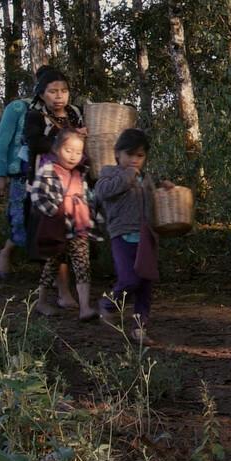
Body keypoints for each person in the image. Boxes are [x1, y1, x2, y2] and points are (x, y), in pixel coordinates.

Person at [0, 66, 85, 280]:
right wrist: (0, 173)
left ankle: (56, 277)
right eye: (52, 90)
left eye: (63, 90)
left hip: (70, 181)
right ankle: (9, 255)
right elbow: (9, 141)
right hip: (33, 175)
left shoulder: (75, 112)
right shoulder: (25, 111)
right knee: (24, 220)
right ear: (41, 91)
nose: (58, 96)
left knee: (66, 229)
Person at [94, 128, 170, 343]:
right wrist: (127, 176)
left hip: (146, 237)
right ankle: (107, 304)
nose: (135, 160)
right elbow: (102, 191)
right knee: (129, 279)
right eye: (130, 154)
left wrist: (163, 188)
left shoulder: (146, 178)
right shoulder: (110, 173)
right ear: (117, 154)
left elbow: (152, 199)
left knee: (145, 284)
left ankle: (139, 328)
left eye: (140, 155)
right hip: (122, 234)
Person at [29, 128, 99, 320]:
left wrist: (91, 216)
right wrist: (55, 212)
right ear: (56, 149)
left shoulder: (80, 173)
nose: (73, 156)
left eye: (78, 152)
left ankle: (84, 307)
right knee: (51, 265)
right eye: (68, 150)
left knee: (83, 266)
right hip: (57, 229)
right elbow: (37, 195)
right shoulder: (48, 171)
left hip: (78, 229)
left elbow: (87, 198)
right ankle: (41, 302)